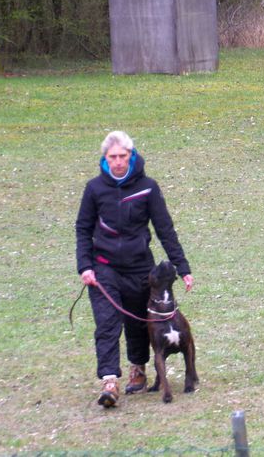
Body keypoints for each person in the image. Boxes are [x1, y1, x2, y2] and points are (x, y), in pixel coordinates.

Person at [76, 130, 194, 407]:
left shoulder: (148, 187)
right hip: (104, 268)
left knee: (139, 323)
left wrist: (183, 267)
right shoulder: (94, 189)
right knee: (107, 322)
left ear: (131, 156)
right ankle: (109, 381)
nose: (118, 161)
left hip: (140, 267)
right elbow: (83, 228)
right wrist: (85, 266)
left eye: (123, 156)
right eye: (112, 157)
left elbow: (165, 229)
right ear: (105, 158)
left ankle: (138, 368)